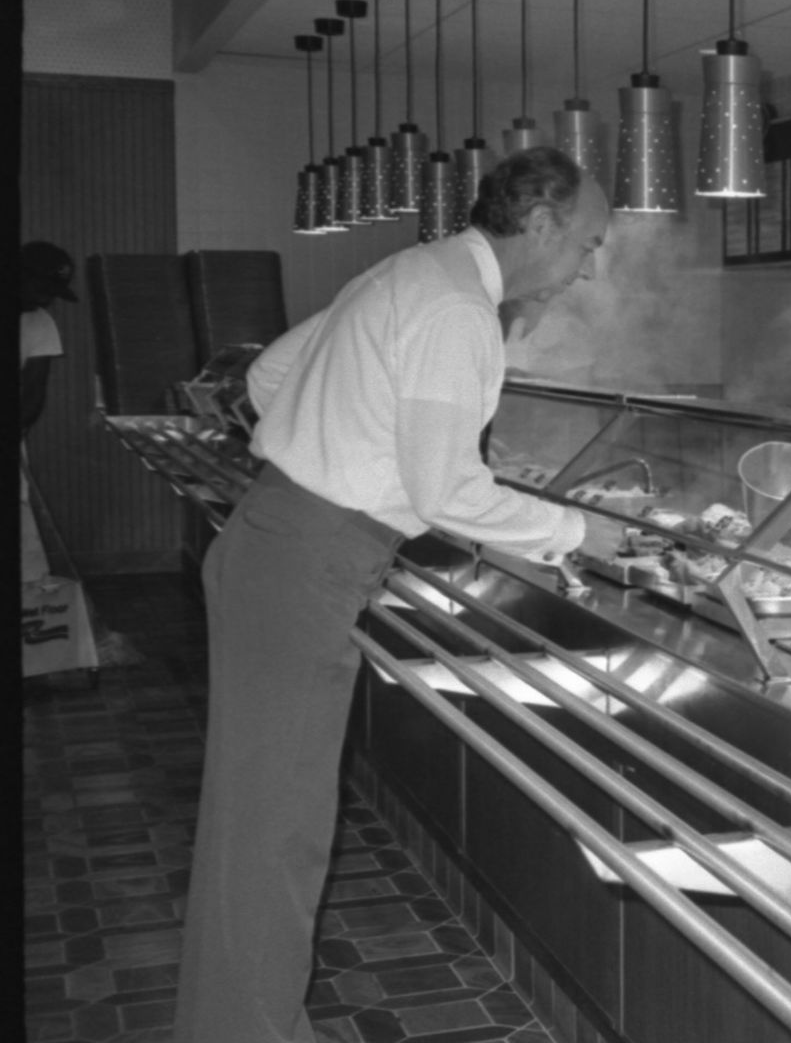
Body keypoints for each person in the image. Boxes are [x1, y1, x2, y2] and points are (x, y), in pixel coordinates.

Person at [174, 146, 627, 1043]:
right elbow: (444, 495)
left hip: (277, 545)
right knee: (277, 833)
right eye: (587, 241)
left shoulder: (416, 269)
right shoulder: (460, 309)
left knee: (259, 821)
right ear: (539, 225)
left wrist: (357, 443)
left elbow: (269, 381)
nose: (589, 263)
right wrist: (585, 532)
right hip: (307, 563)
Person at [20, 242, 75, 583]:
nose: (47, 300)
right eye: (42, 289)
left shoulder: (40, 324)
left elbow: (33, 388)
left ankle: (30, 599)